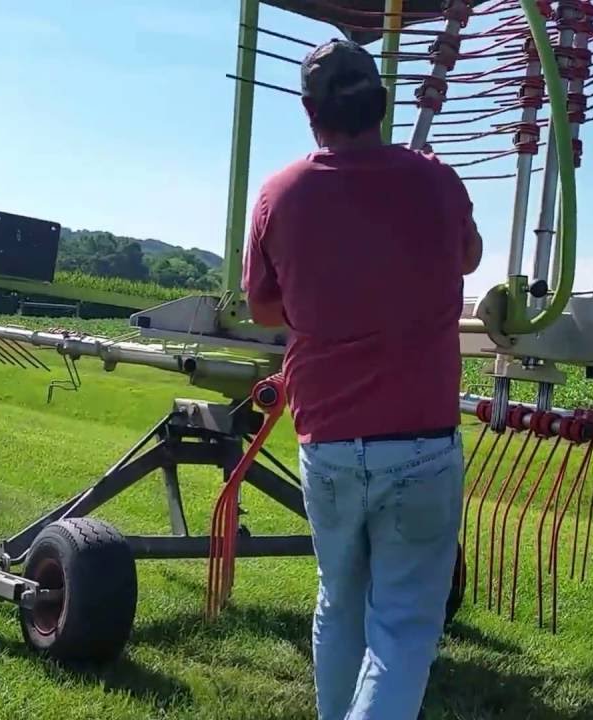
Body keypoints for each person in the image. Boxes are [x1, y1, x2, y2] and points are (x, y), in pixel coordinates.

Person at [240, 38, 483, 720]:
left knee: (339, 602)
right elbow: (469, 255)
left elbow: (261, 306)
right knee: (404, 627)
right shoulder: (434, 177)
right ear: (380, 100)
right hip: (423, 440)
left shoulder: (280, 193)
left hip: (328, 438)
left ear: (310, 111)